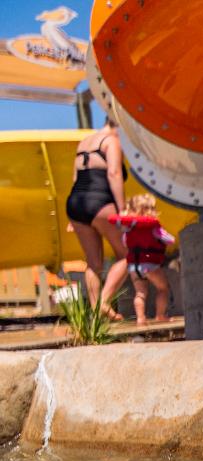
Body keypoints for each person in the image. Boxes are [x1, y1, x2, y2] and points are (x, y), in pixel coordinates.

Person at [64, 119, 128, 319]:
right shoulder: (111, 141)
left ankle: (96, 318)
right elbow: (114, 173)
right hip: (99, 201)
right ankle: (104, 302)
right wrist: (122, 209)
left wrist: (72, 220)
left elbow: (76, 178)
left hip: (75, 203)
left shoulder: (84, 142)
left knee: (93, 263)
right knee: (129, 254)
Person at [109, 194, 174, 326]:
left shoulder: (129, 229)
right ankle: (160, 315)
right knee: (163, 289)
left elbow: (125, 243)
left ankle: (141, 318)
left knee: (140, 293)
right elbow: (170, 240)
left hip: (134, 266)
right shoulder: (153, 227)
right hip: (150, 265)